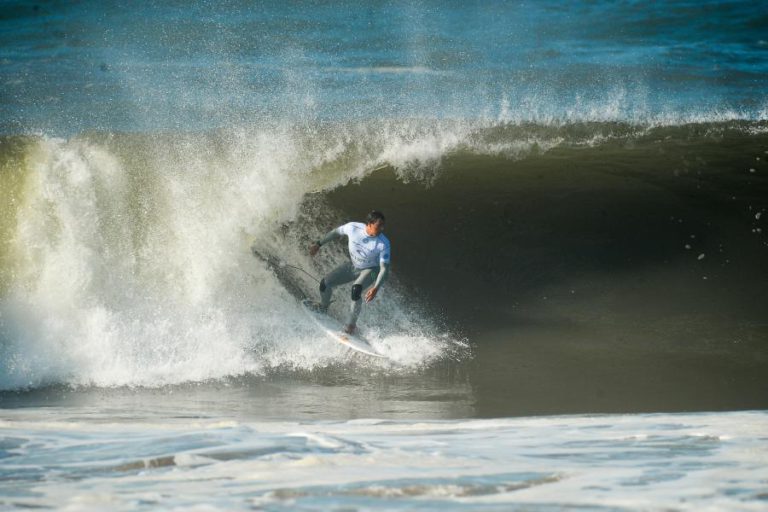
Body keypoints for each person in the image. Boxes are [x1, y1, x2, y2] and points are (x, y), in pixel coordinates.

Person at [308, 210, 391, 334]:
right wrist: (319, 244)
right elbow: (335, 233)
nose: (381, 229)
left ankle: (351, 325)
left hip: (372, 270)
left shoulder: (383, 243)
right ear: (369, 224)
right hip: (353, 266)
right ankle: (323, 306)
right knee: (325, 283)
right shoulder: (353, 228)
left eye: (383, 226)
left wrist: (376, 288)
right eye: (379, 226)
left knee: (356, 289)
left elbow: (384, 268)